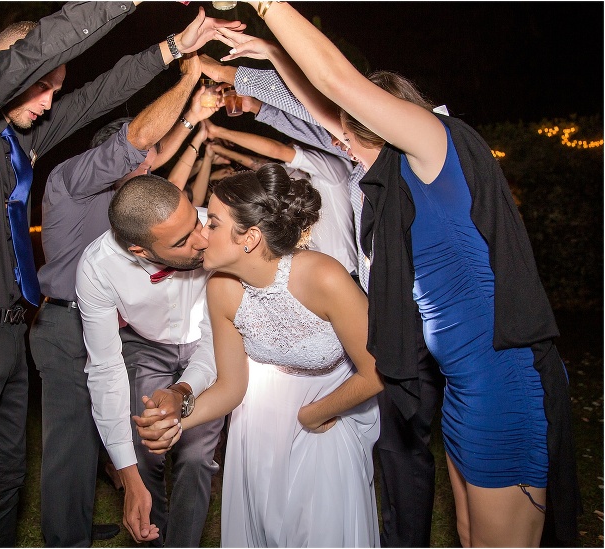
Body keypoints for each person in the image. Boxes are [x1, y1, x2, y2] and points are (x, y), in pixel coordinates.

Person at [218, 3, 580, 546]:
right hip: (463, 387)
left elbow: (334, 83)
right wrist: (270, 54)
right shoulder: (391, 179)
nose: (338, 142)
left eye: (348, 133)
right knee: (466, 534)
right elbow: (323, 106)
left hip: (502, 384)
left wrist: (266, 7)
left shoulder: (434, 151)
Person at [0, 2, 242, 545]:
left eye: (54, 91)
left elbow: (98, 95)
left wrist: (173, 48)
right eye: (42, 87)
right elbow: (41, 50)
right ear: (11, 65)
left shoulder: (18, 138)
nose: (49, 103)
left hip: (9, 329)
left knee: (6, 485)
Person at [200, 54, 444, 547]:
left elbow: (315, 107)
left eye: (350, 134)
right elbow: (313, 112)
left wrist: (240, 80)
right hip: (353, 304)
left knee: (403, 449)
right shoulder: (357, 173)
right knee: (387, 454)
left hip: (409, 317)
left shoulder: (410, 164)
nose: (338, 141)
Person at [29, 46, 220, 547]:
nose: (147, 168)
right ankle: (66, 538)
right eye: (138, 164)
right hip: (66, 322)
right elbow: (139, 150)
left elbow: (162, 184)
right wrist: (184, 88)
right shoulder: (70, 185)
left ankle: (89, 517)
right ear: (109, 164)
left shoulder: (129, 206)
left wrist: (195, 121)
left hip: (107, 326)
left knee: (100, 432)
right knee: (70, 440)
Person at [138, 164, 383, 546]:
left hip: (325, 423)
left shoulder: (324, 277)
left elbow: (377, 370)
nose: (201, 235)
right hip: (257, 430)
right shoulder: (221, 288)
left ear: (249, 237)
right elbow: (231, 386)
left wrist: (313, 415)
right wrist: (177, 423)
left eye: (212, 223)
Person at [75, 175, 224, 546]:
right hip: (147, 345)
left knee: (197, 455)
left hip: (209, 343)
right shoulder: (97, 268)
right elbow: (105, 369)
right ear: (140, 250)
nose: (202, 240)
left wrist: (184, 390)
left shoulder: (218, 233)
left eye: (197, 222)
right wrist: (128, 477)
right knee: (144, 450)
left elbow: (216, 338)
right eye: (182, 241)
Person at [202, 118, 357, 272]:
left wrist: (218, 131)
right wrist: (221, 150)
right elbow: (261, 167)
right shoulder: (304, 174)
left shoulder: (332, 166)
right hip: (316, 274)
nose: (291, 143)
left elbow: (278, 151)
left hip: (345, 271)